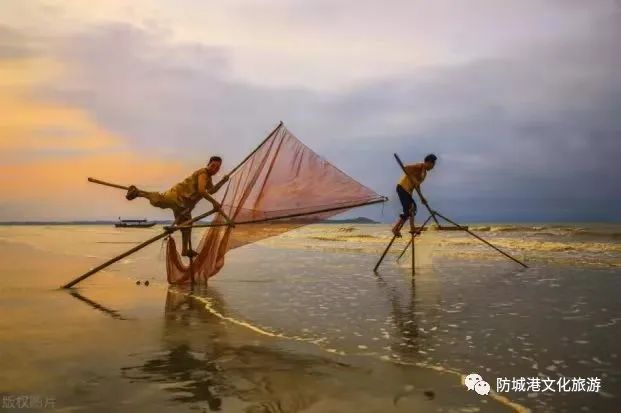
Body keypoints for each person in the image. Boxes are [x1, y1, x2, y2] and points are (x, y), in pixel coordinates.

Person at [125, 156, 231, 257]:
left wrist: (222, 181)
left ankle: (185, 250)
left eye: (217, 168)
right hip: (177, 196)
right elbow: (202, 191)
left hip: (185, 206)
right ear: (208, 164)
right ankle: (138, 193)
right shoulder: (203, 173)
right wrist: (214, 202)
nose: (215, 169)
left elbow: (211, 191)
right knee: (159, 200)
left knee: (187, 226)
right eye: (213, 165)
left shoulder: (208, 178)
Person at [392, 154, 437, 237]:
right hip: (402, 187)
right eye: (432, 164)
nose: (433, 167)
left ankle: (398, 228)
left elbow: (417, 185)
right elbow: (405, 168)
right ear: (428, 162)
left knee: (410, 210)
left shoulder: (424, 174)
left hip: (407, 191)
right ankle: (404, 228)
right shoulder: (419, 166)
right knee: (411, 207)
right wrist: (413, 179)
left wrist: (421, 197)